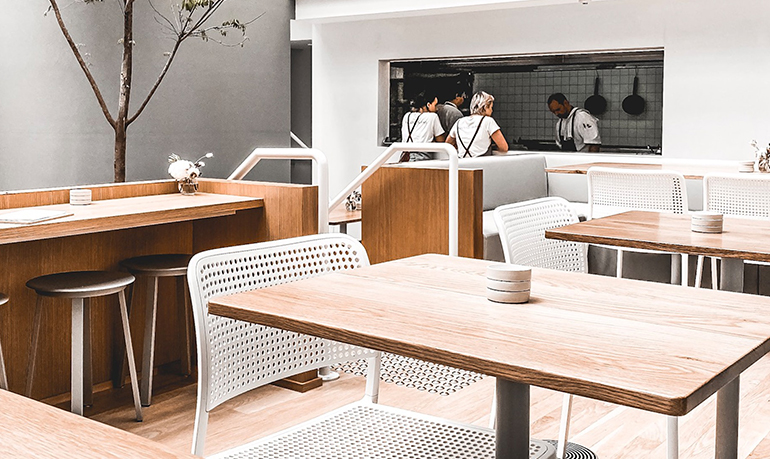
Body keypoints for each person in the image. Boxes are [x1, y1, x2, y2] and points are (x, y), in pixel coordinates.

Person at [446, 91, 508, 158]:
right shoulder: (488, 121)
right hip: (481, 162)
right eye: (491, 107)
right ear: (485, 107)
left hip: (462, 162)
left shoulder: (459, 122)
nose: (492, 111)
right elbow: (504, 147)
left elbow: (448, 144)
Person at [400, 92, 445, 162]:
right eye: (435, 105)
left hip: (406, 155)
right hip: (423, 156)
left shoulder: (407, 116)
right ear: (428, 105)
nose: (436, 108)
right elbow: (441, 140)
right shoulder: (432, 116)